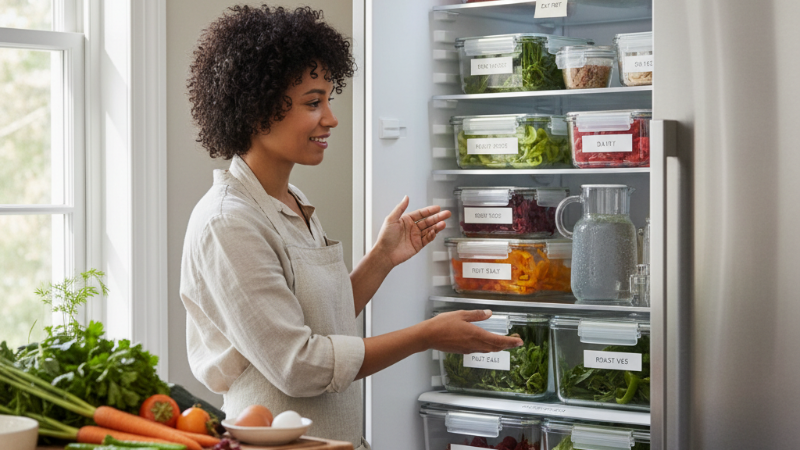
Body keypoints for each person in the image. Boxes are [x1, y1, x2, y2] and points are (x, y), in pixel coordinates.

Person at [180, 5, 522, 449]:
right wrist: (424, 336)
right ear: (256, 110)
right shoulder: (229, 223)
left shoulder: (290, 200)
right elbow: (298, 364)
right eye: (313, 102)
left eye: (328, 99)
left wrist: (382, 259)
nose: (331, 118)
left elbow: (320, 322)